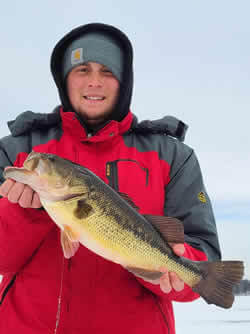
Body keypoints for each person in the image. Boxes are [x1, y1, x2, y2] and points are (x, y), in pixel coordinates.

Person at [0, 23, 221, 334]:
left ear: (124, 81)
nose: (94, 82)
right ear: (64, 79)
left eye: (107, 71)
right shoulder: (18, 150)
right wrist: (25, 212)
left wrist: (176, 275)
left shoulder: (173, 156)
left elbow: (201, 259)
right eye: (82, 69)